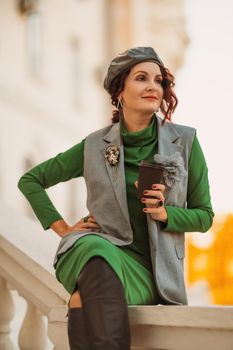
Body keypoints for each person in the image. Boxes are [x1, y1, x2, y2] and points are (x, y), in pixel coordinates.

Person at [18, 46, 214, 350]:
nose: (153, 86)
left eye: (159, 80)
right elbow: (31, 180)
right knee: (93, 245)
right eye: (141, 78)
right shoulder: (94, 145)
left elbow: (204, 216)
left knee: (82, 299)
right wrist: (62, 228)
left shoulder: (185, 141)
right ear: (119, 90)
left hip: (151, 272)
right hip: (96, 251)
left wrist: (166, 214)